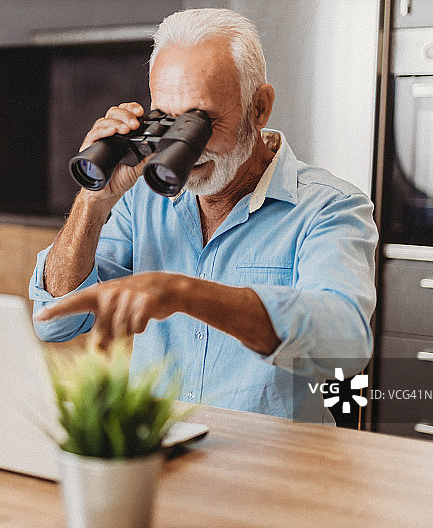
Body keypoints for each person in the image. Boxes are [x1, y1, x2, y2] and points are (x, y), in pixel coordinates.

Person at [29, 8, 378, 423]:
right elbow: (55, 324)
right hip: (163, 453)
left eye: (202, 121)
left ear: (260, 107)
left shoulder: (329, 207)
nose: (185, 148)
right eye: (168, 122)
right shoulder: (144, 201)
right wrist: (94, 198)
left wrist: (183, 292)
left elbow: (345, 348)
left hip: (272, 469)